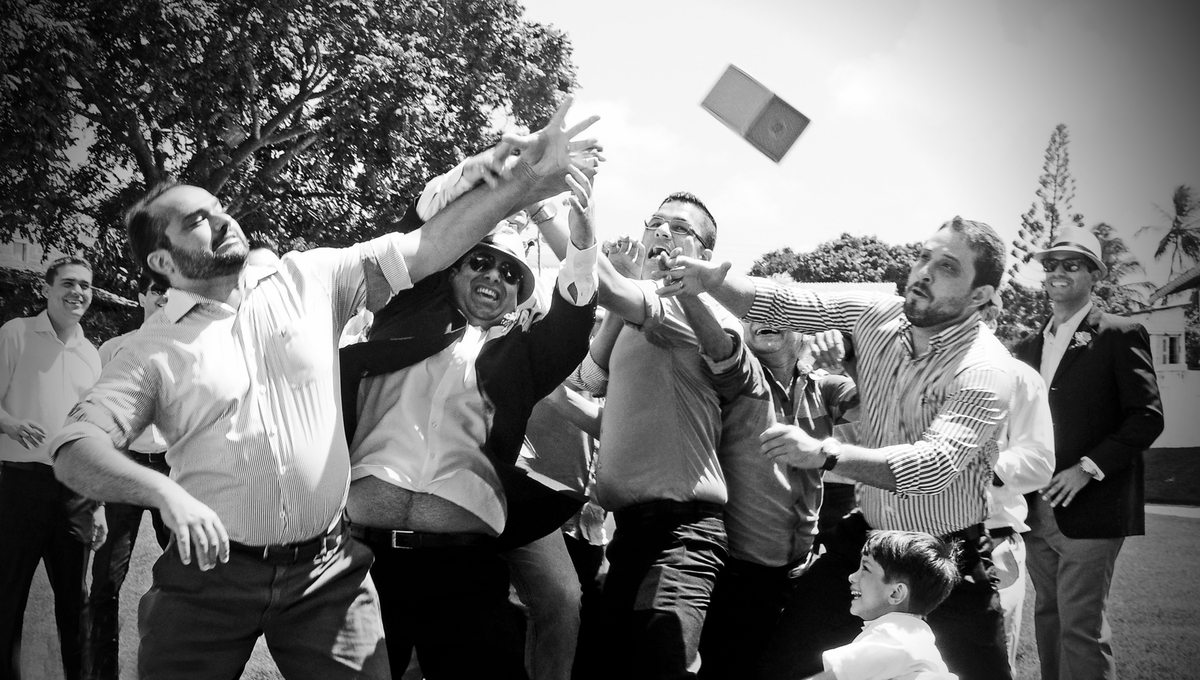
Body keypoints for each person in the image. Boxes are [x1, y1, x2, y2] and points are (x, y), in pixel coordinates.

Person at [48, 98, 598, 680]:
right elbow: (75, 448)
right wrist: (166, 497)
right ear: (162, 259)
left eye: (217, 208)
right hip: (212, 573)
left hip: (328, 571)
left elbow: (430, 243)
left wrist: (524, 180)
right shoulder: (149, 350)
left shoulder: (311, 278)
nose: (222, 220)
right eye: (196, 221)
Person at [657, 216, 1014, 680]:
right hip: (865, 545)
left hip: (942, 564)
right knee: (784, 667)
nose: (923, 271)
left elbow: (933, 465)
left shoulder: (987, 368)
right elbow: (786, 301)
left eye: (947, 267)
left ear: (980, 296)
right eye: (924, 256)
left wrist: (824, 453)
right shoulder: (878, 315)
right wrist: (711, 283)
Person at [340, 161, 599, 679]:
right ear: (453, 268)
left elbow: (571, 324)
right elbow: (420, 223)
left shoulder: (519, 360)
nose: (494, 277)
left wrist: (583, 245)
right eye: (480, 261)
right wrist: (493, 171)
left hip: (466, 576)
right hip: (362, 566)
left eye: (510, 273)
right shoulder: (403, 312)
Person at [573, 191, 742, 680]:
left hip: (681, 535)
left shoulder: (689, 309)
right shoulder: (634, 313)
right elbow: (590, 380)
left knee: (660, 662)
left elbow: (598, 282)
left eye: (679, 228)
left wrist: (548, 211)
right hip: (628, 537)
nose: (662, 233)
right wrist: (619, 296)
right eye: (656, 223)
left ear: (704, 258)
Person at [1013, 226, 1163, 680]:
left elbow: (1146, 417)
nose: (1059, 272)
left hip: (1092, 507)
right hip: (1035, 509)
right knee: (1048, 619)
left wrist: (1088, 467)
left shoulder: (1120, 334)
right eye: (1052, 264)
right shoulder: (1026, 347)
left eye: (1072, 264)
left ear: (1094, 274)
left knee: (1081, 626)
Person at [698, 325, 858, 679]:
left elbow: (876, 407)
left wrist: (847, 354)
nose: (761, 321)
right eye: (751, 314)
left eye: (775, 313)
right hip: (737, 572)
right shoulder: (738, 379)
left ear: (803, 329)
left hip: (801, 569)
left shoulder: (826, 386)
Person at [0, 256, 103, 680]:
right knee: (7, 599)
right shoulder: (16, 334)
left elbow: (94, 433)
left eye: (86, 286)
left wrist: (96, 503)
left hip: (74, 492)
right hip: (20, 485)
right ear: (47, 288)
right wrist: (9, 423)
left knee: (76, 604)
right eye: (68, 283)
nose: (77, 292)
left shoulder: (91, 356)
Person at [83, 272, 173, 680]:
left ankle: (180, 665)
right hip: (125, 466)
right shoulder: (114, 349)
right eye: (156, 291)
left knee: (191, 575)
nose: (163, 299)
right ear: (141, 296)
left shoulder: (189, 348)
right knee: (105, 581)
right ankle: (103, 672)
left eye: (171, 293)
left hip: (174, 471)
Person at [979, 295, 1055, 669]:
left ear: (991, 316)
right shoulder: (922, 376)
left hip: (992, 539)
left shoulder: (1021, 377)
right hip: (920, 540)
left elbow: (1040, 463)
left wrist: (988, 463)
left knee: (990, 661)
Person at [804, 530, 960, 680]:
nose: (852, 577)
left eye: (865, 568)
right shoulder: (916, 637)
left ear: (896, 593)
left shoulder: (893, 637)